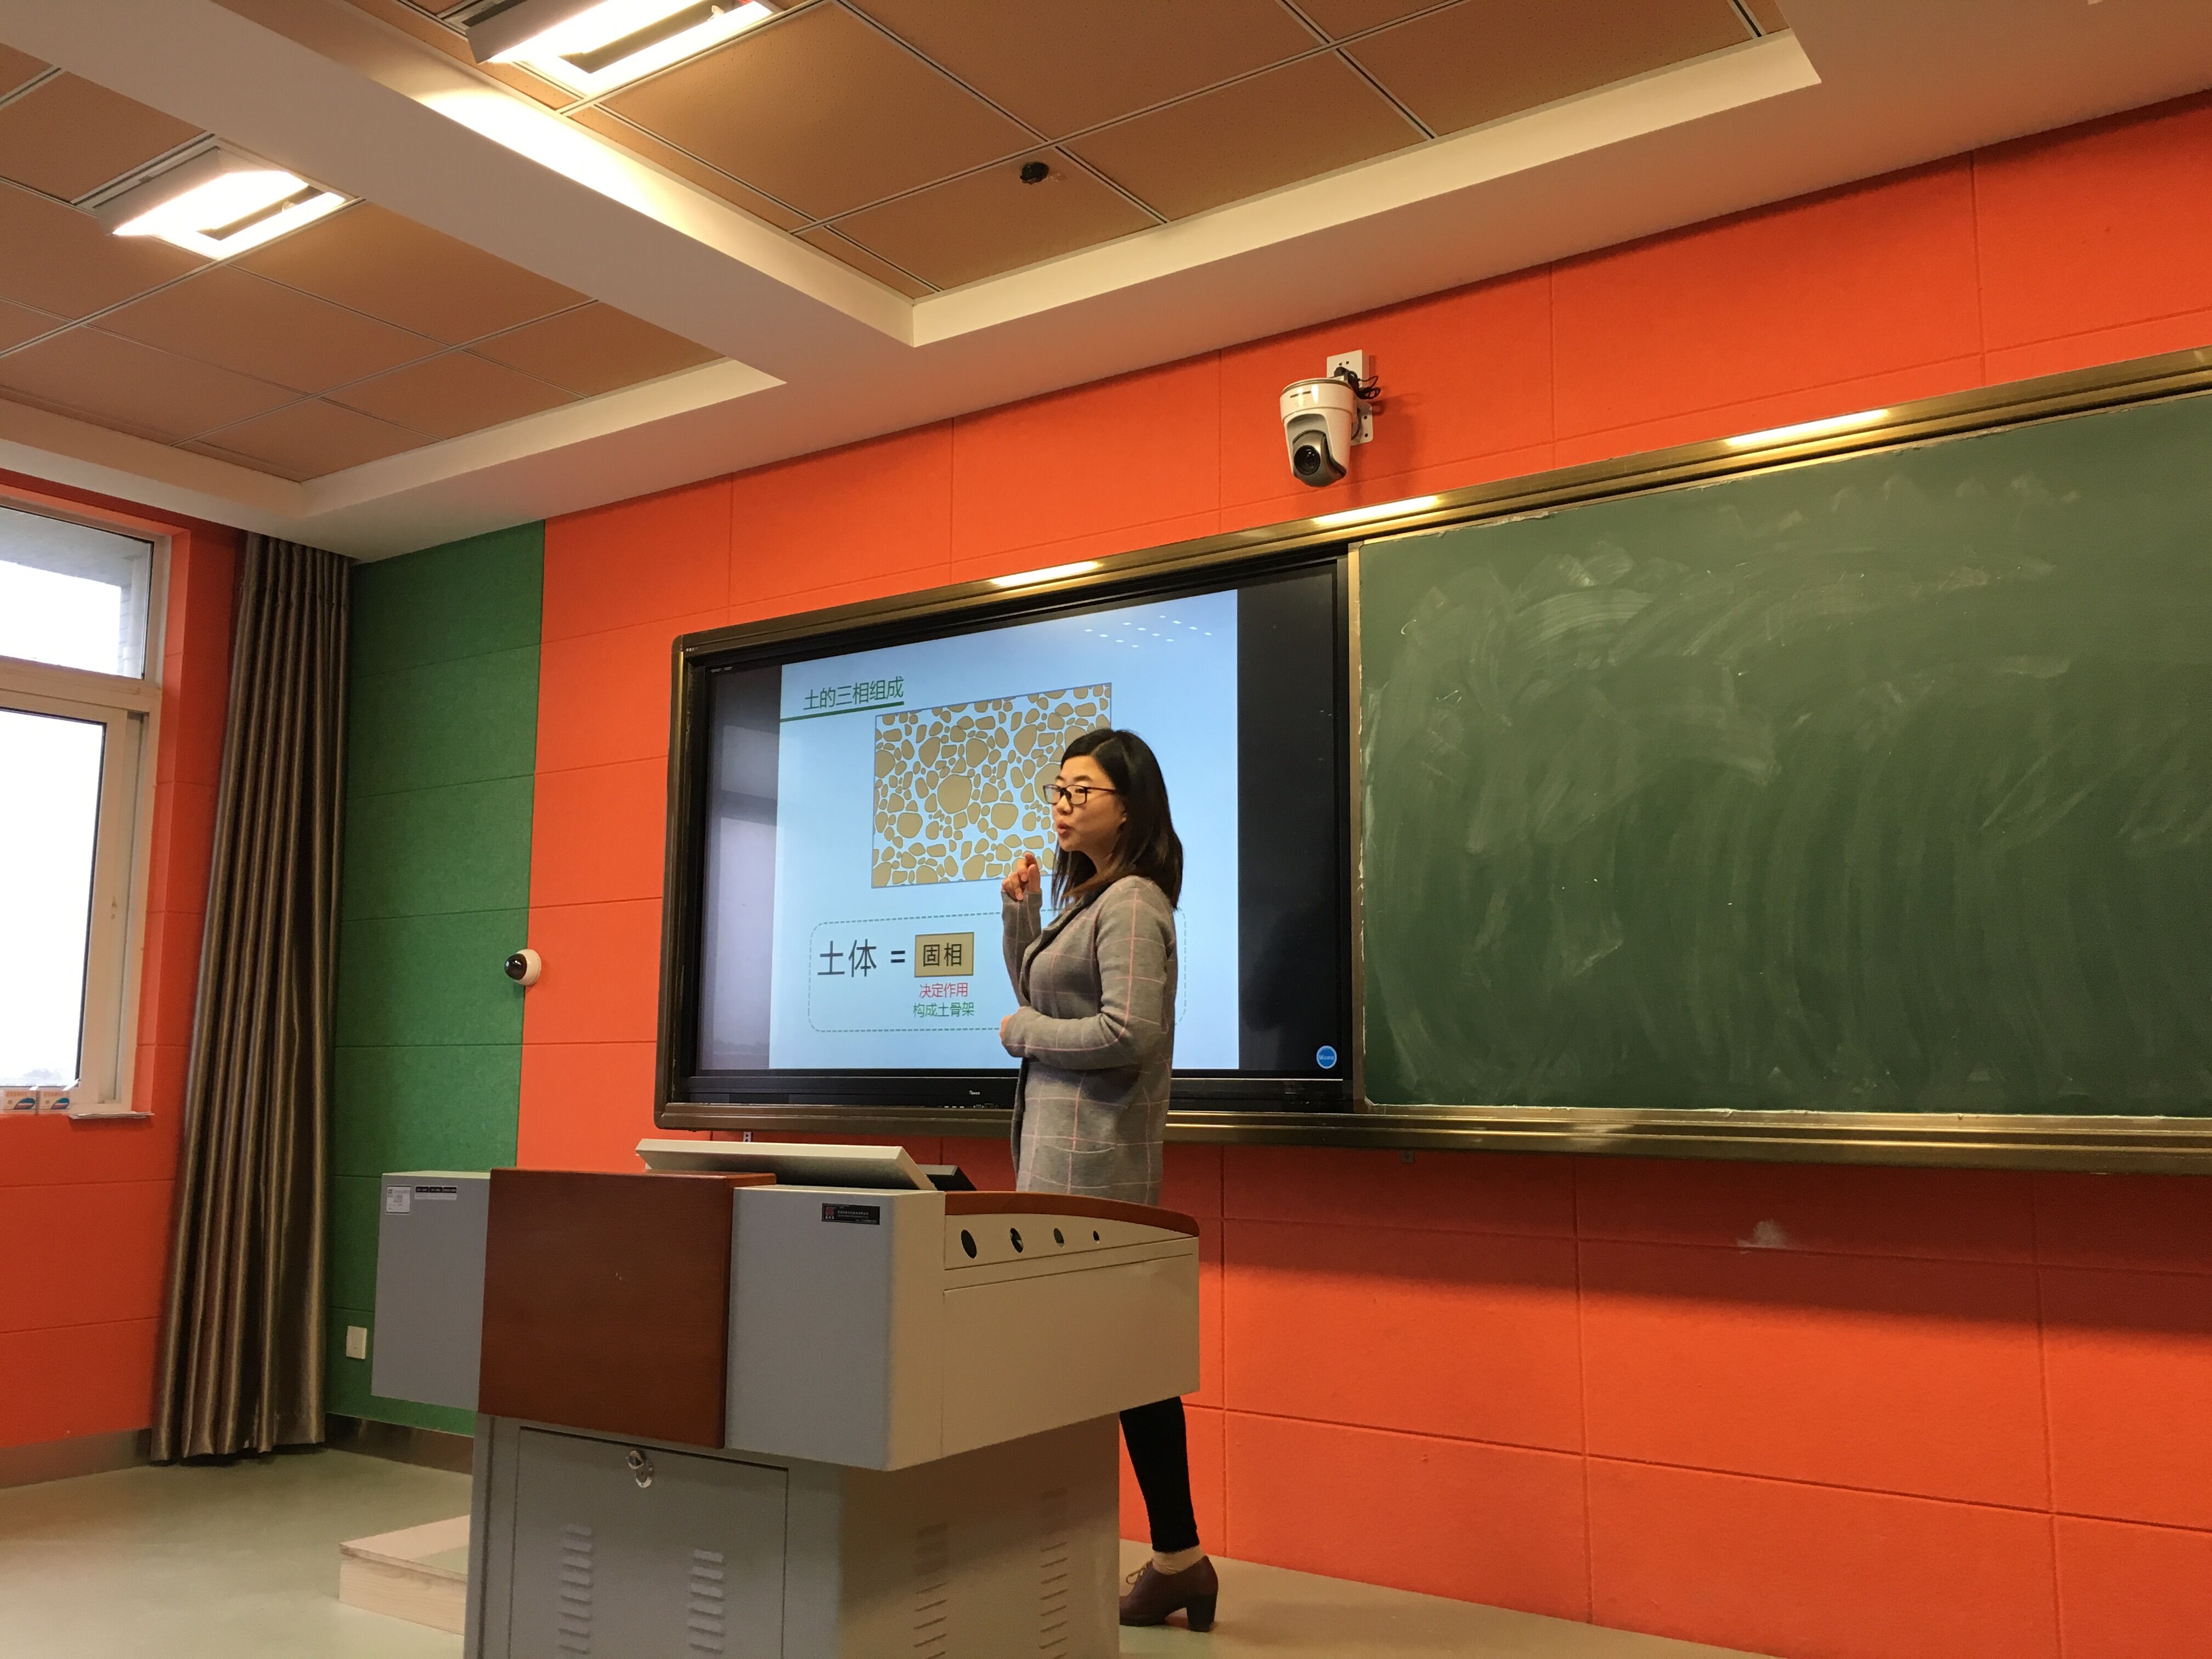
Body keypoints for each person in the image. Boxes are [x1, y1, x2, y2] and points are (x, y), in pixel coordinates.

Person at [998, 728, 1217, 1633]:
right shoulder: (1087, 897)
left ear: (1128, 808)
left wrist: (1023, 1036)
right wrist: (1018, 918)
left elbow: (1130, 1034)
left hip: (1097, 1175)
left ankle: (1155, 1560)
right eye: (1056, 789)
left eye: (1080, 791)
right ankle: (1179, 1561)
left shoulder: (1132, 903)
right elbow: (1044, 996)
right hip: (1063, 1169)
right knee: (1122, 1371)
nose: (1061, 804)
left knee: (1112, 1369)